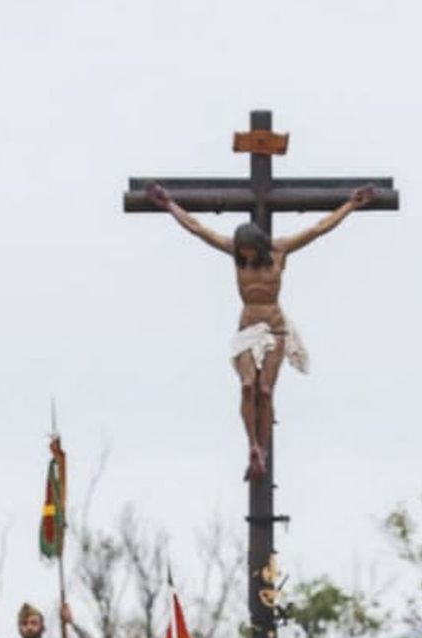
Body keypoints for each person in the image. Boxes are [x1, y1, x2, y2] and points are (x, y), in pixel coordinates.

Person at [147, 180, 377, 480]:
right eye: (242, 252)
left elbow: (319, 228)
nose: (246, 256)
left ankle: (262, 451)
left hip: (275, 329)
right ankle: (252, 446)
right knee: (246, 385)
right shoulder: (234, 253)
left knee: (265, 391)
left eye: (249, 251)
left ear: (257, 245)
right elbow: (197, 227)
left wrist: (350, 205)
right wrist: (169, 204)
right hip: (247, 327)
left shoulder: (279, 250)